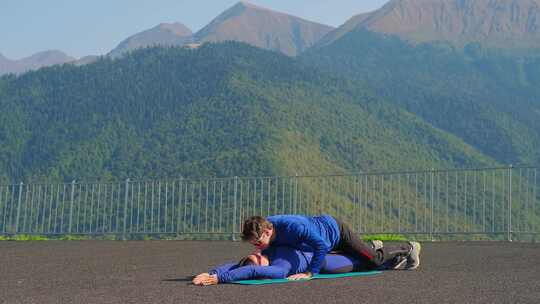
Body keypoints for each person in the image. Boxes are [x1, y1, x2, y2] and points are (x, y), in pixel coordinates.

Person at [241, 215, 421, 280]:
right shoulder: (267, 231)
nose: (257, 247)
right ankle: (371, 247)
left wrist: (310, 273)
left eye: (258, 242)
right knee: (362, 256)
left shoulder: (293, 228)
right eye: (253, 244)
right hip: (323, 239)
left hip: (337, 233)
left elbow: (320, 246)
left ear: (268, 230)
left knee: (374, 260)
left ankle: (408, 247)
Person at [192, 242, 404, 286]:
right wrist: (220, 278)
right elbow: (250, 269)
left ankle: (377, 247)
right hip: (329, 263)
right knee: (370, 262)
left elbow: (234, 265)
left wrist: (212, 271)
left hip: (323, 250)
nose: (257, 254)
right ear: (260, 267)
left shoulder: (268, 252)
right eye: (257, 258)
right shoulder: (279, 268)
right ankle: (403, 249)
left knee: (364, 252)